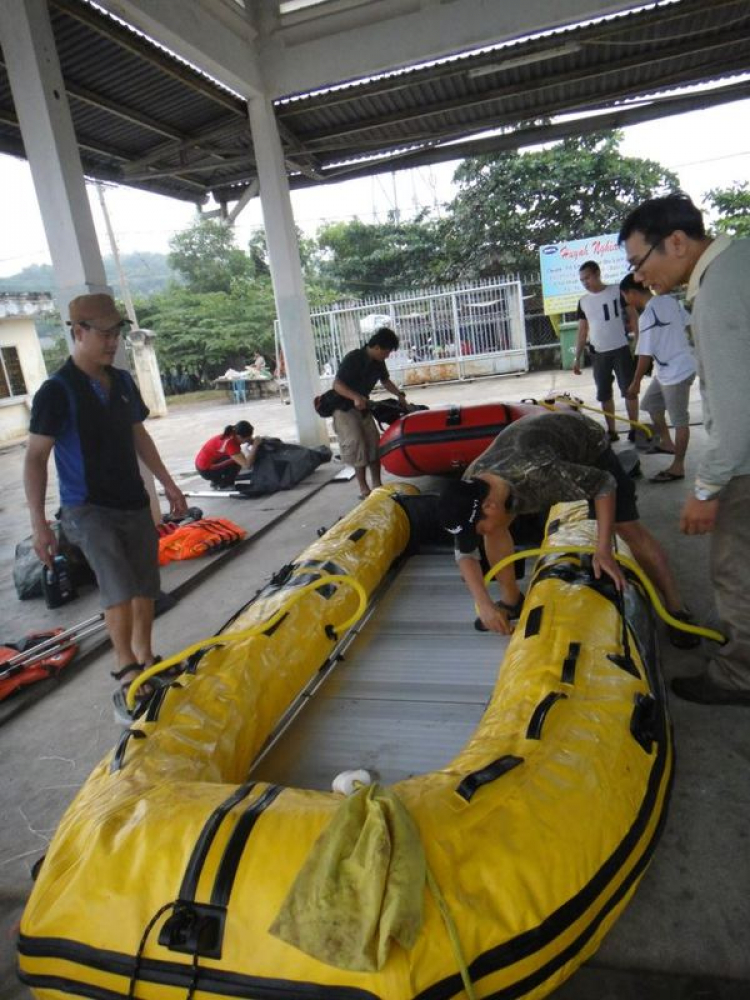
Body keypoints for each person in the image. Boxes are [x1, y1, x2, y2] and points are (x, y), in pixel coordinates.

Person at [23, 293, 188, 723]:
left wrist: (169, 484)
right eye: (104, 333)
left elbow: (140, 436)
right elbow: (35, 458)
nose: (112, 341)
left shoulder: (123, 383)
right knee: (118, 587)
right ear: (78, 332)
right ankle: (125, 671)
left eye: (116, 332)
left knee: (146, 586)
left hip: (132, 500)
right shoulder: (56, 392)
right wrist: (39, 524)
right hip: (86, 508)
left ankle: (147, 658)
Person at [619, 192, 750, 705]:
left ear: (676, 241)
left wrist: (706, 486)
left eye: (638, 262)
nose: (638, 276)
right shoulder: (740, 263)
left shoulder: (717, 294)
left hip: (745, 464)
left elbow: (737, 413)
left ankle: (739, 677)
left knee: (734, 569)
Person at [438, 409, 698, 646]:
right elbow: (465, 553)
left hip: (587, 446)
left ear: (491, 506)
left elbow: (604, 484)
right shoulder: (471, 487)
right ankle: (511, 599)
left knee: (626, 527)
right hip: (531, 449)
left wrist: (603, 549)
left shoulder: (539, 472)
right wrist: (483, 604)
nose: (477, 535)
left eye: (477, 528)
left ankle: (677, 609)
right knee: (493, 530)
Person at [620, 273, 697, 482]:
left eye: (625, 297)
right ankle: (666, 442)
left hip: (677, 371)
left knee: (680, 419)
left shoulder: (647, 316)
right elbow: (690, 324)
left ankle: (678, 467)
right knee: (651, 405)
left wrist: (635, 382)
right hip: (667, 370)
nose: (626, 301)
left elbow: (644, 353)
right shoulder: (669, 301)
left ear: (631, 293)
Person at [332, 327, 408, 498]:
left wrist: (399, 395)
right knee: (357, 445)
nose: (387, 356)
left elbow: (385, 380)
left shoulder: (378, 362)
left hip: (363, 406)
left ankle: (377, 484)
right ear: (378, 347)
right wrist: (355, 397)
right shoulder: (354, 358)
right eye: (387, 352)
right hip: (344, 408)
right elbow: (337, 385)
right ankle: (363, 488)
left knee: (374, 443)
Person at [573, 260, 640, 442]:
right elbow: (582, 330)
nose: (585, 282)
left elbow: (633, 317)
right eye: (582, 280)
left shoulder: (617, 291)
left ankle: (635, 428)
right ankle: (612, 431)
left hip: (621, 349)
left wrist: (639, 344)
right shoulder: (583, 302)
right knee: (604, 393)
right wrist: (577, 357)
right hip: (598, 353)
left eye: (587, 278)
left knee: (630, 391)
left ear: (597, 273)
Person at [195, 420, 261, 487]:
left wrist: (252, 441)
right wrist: (255, 446)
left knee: (239, 456)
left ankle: (217, 480)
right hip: (206, 470)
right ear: (239, 437)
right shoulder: (230, 444)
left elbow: (247, 440)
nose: (250, 439)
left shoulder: (233, 432)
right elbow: (247, 465)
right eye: (248, 438)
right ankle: (224, 483)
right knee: (237, 462)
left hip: (205, 463)